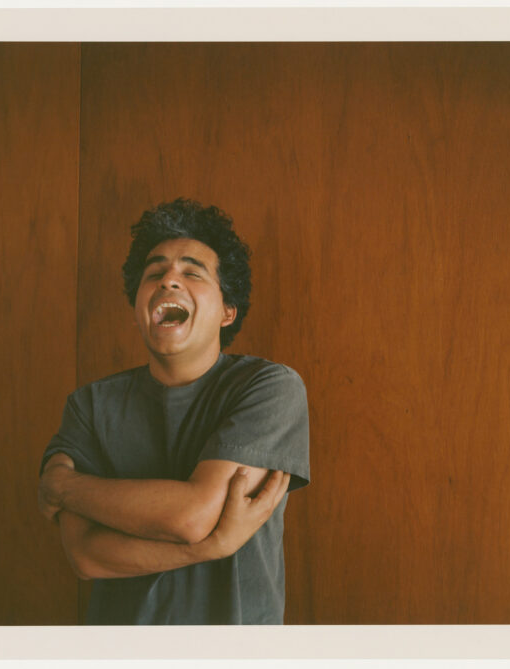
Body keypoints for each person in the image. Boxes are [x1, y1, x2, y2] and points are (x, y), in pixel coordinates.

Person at [38, 198, 310, 625]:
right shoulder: (89, 405)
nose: (168, 281)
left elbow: (192, 516)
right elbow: (87, 557)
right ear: (137, 310)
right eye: (154, 273)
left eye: (191, 272)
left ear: (227, 311)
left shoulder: (269, 388)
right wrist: (212, 545)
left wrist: (63, 486)